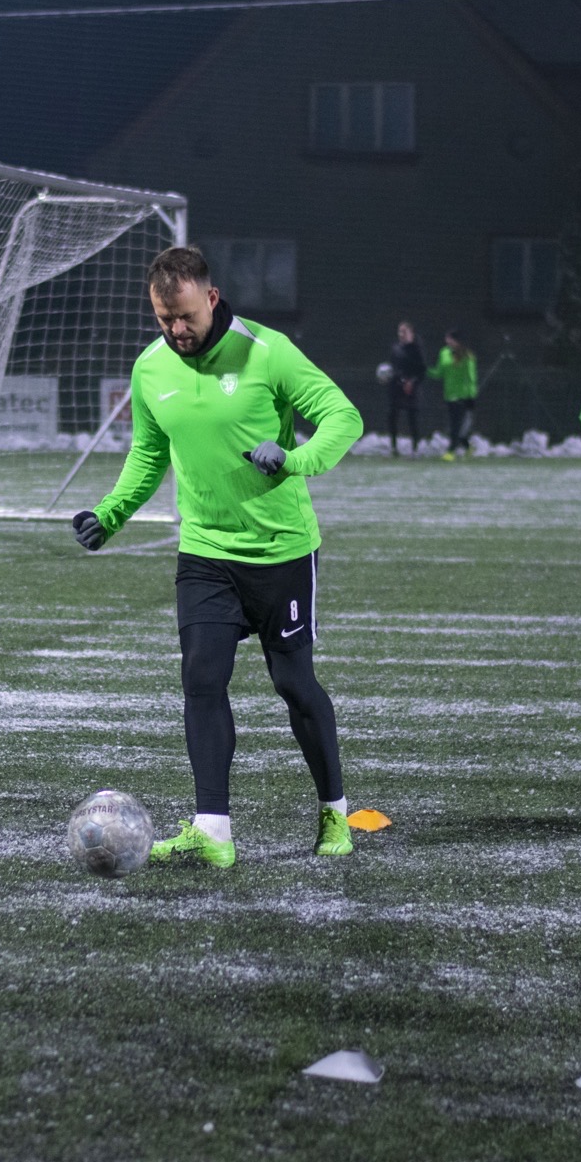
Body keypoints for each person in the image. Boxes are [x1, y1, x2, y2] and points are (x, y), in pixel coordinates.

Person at [73, 246, 364, 865]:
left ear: (210, 299)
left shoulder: (267, 351)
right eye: (162, 319)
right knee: (201, 679)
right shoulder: (151, 368)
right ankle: (214, 833)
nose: (176, 331)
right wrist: (110, 514)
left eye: (184, 316)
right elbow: (149, 455)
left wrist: (296, 460)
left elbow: (344, 416)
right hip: (205, 553)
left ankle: (335, 815)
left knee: (294, 684)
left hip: (281, 550)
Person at [428, 328, 479, 461]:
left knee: (455, 425)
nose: (447, 341)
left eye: (450, 339)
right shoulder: (444, 352)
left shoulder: (468, 356)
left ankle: (451, 452)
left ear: (457, 341)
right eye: (447, 339)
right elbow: (439, 373)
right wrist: (425, 371)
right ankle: (468, 447)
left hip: (463, 396)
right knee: (458, 427)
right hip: (450, 395)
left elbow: (471, 377)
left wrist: (471, 396)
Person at [385, 321, 427, 456]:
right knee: (392, 417)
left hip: (411, 390)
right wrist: (387, 376)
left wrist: (412, 382)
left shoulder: (416, 349)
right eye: (399, 331)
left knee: (413, 418)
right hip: (396, 388)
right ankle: (393, 447)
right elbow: (393, 368)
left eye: (404, 331)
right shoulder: (395, 348)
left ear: (411, 333)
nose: (401, 334)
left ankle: (415, 448)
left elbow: (421, 371)